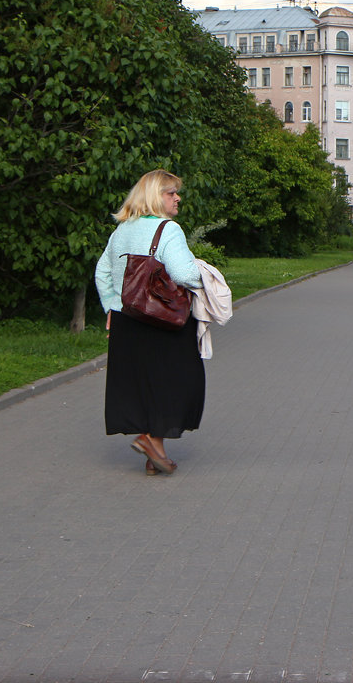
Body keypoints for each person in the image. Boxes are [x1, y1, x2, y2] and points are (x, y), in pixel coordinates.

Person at [95, 169, 206, 476]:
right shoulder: (169, 229)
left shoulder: (121, 231)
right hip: (164, 319)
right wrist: (205, 275)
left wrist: (110, 305)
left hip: (127, 319)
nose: (177, 198)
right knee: (179, 381)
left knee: (143, 385)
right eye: (171, 193)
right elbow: (184, 275)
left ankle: (153, 452)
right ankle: (148, 441)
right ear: (156, 197)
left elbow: (102, 272)